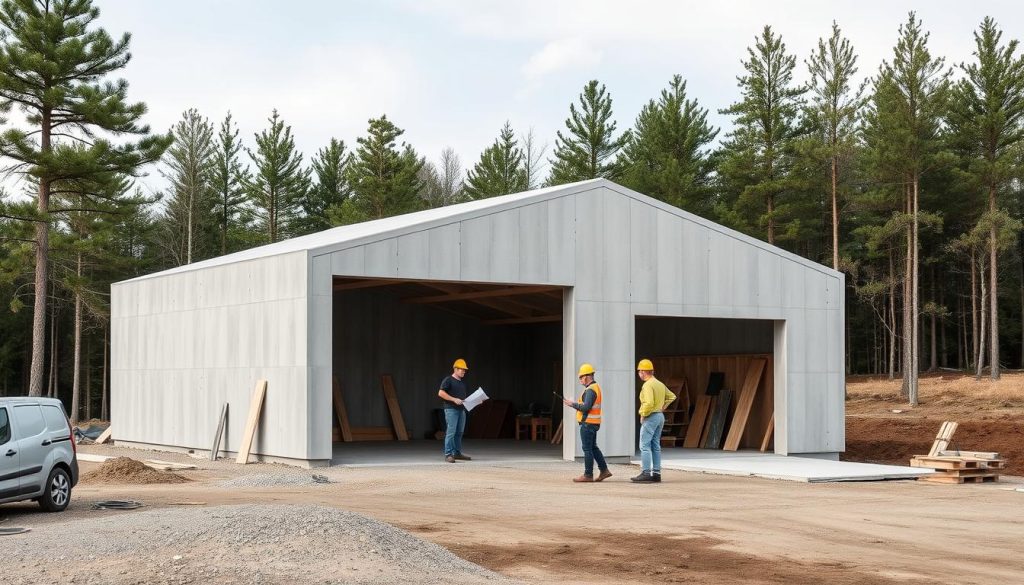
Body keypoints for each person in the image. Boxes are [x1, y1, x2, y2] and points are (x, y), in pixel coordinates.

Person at [563, 363, 612, 483]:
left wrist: (572, 404)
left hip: (588, 424)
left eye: (580, 377)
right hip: (593, 423)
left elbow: (586, 407)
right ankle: (604, 470)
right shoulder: (594, 388)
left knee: (587, 449)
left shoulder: (590, 390)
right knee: (593, 448)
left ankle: (588, 474)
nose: (580, 380)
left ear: (586, 376)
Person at [633, 358, 676, 483]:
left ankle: (646, 472)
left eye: (639, 371)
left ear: (643, 372)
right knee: (656, 445)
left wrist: (642, 414)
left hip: (651, 416)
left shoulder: (647, 385)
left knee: (644, 445)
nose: (639, 374)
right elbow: (672, 396)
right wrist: (663, 407)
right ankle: (656, 473)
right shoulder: (659, 383)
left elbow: (649, 403)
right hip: (660, 416)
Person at [438, 358, 472, 463]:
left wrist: (475, 401)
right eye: (462, 369)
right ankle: (448, 454)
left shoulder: (462, 383)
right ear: (455, 369)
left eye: (465, 370)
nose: (464, 371)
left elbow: (462, 399)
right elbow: (440, 393)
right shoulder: (448, 380)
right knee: (451, 432)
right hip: (451, 410)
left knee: (459, 432)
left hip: (461, 410)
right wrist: (453, 399)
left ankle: (457, 453)